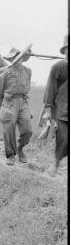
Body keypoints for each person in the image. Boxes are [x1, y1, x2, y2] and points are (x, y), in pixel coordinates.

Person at [0, 46, 33, 166]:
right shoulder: (5, 74)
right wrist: (5, 107)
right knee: (8, 130)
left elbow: (27, 88)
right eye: (15, 57)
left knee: (28, 130)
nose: (17, 59)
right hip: (9, 103)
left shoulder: (28, 71)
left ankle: (20, 148)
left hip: (23, 102)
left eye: (19, 56)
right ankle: (11, 155)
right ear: (11, 59)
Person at [43, 35, 69, 177]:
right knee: (63, 139)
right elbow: (50, 89)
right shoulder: (57, 67)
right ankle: (55, 164)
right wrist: (48, 111)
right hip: (61, 111)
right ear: (65, 50)